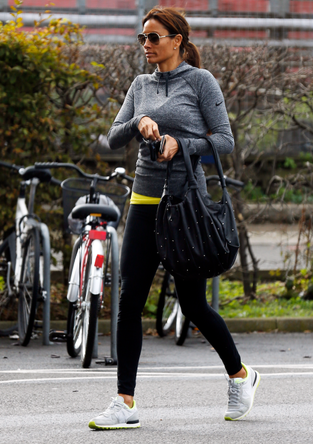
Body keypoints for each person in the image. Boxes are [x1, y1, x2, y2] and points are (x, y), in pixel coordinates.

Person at [88, 7, 260, 430]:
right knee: (130, 300)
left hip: (186, 206)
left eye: (154, 37)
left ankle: (241, 375)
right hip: (145, 202)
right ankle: (124, 402)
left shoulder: (201, 82)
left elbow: (224, 140)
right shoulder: (139, 84)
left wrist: (179, 144)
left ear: (176, 40)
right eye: (142, 38)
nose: (146, 45)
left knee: (193, 304)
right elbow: (112, 137)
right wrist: (139, 120)